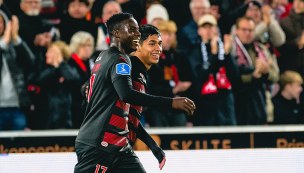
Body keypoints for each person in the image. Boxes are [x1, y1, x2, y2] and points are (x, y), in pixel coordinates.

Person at [74, 13, 195, 173]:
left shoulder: (104, 57)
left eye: (159, 44)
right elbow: (127, 95)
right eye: (132, 30)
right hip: (100, 144)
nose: (137, 33)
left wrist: (152, 145)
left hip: (117, 146)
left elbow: (127, 112)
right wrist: (171, 102)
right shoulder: (123, 62)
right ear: (117, 33)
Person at [187, 14, 238, 126]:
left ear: (216, 29)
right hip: (206, 104)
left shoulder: (224, 48)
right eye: (205, 27)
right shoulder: (195, 50)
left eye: (211, 27)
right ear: (199, 31)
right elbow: (201, 75)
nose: (208, 30)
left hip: (225, 102)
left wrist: (227, 53)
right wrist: (213, 54)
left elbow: (235, 76)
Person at [231, 16, 279, 125]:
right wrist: (253, 75)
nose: (247, 33)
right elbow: (230, 76)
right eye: (244, 30)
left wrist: (266, 73)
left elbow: (275, 75)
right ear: (236, 30)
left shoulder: (262, 49)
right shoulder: (230, 49)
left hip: (258, 100)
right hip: (237, 100)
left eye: (250, 30)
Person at [147, 20, 192, 127]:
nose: (167, 38)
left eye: (170, 34)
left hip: (179, 108)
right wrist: (172, 90)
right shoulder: (151, 59)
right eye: (164, 34)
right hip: (159, 109)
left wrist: (190, 117)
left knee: (180, 140)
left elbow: (190, 82)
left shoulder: (180, 57)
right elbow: (150, 88)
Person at [27, 41, 80, 129]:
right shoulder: (45, 70)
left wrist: (61, 63)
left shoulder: (69, 69)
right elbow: (39, 80)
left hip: (64, 120)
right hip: (44, 119)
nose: (47, 54)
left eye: (51, 52)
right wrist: (56, 68)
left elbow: (74, 79)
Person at [0, 12, 35, 131]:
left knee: (18, 147)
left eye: (0, 22)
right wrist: (3, 44)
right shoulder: (4, 45)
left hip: (17, 107)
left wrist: (15, 38)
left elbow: (31, 62)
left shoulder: (14, 46)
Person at [278, 0, 304, 78]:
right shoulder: (284, 22)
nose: (298, 3)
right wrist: (298, 42)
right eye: (296, 0)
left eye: (302, 1)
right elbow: (280, 47)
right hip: (290, 68)